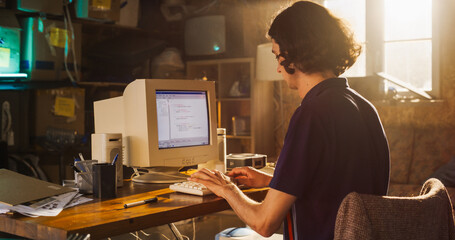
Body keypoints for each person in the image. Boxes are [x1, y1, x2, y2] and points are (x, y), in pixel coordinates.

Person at [188, 1, 390, 239]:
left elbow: (264, 224)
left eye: (277, 57)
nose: (278, 69)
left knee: (228, 235)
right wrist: (274, 180)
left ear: (293, 56)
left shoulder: (312, 114)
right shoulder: (364, 107)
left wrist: (227, 189)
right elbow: (335, 184)